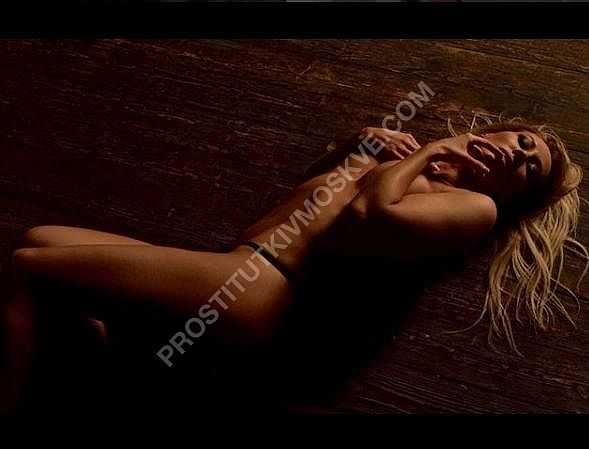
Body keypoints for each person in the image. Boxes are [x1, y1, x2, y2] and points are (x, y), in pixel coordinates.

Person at [2, 119, 586, 413]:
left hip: (261, 286)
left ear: (514, 193)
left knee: (32, 269)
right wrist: (354, 147)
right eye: (522, 139)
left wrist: (433, 150)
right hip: (235, 264)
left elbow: (369, 215)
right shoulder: (405, 162)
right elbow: (299, 204)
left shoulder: (474, 207)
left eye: (529, 166)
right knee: (41, 241)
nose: (518, 151)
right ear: (496, 129)